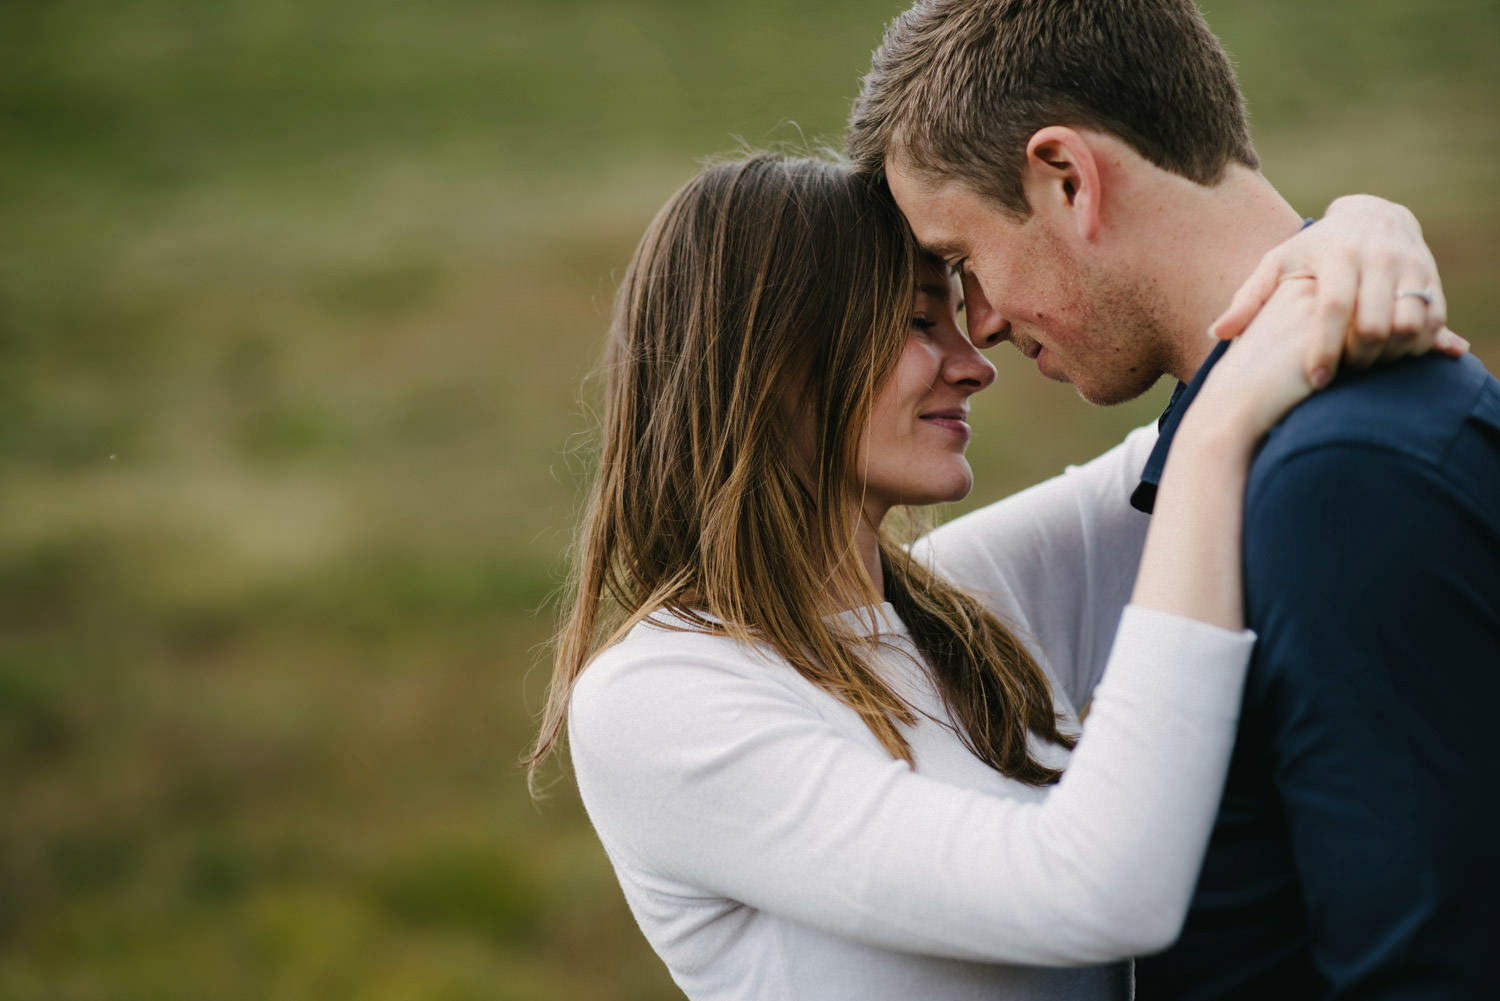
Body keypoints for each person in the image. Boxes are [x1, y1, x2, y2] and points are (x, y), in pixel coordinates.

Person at [525, 151, 1459, 1000]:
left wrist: (1361, 228)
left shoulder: (964, 608)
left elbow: (1240, 391)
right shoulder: (660, 698)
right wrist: (1217, 436)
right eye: (920, 322)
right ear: (776, 366)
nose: (976, 365)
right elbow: (1095, 893)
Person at [847, 2, 1500, 998]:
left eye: (962, 261)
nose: (976, 327)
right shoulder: (1248, 452)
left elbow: (1424, 968)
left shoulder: (1345, 477)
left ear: (1066, 179)